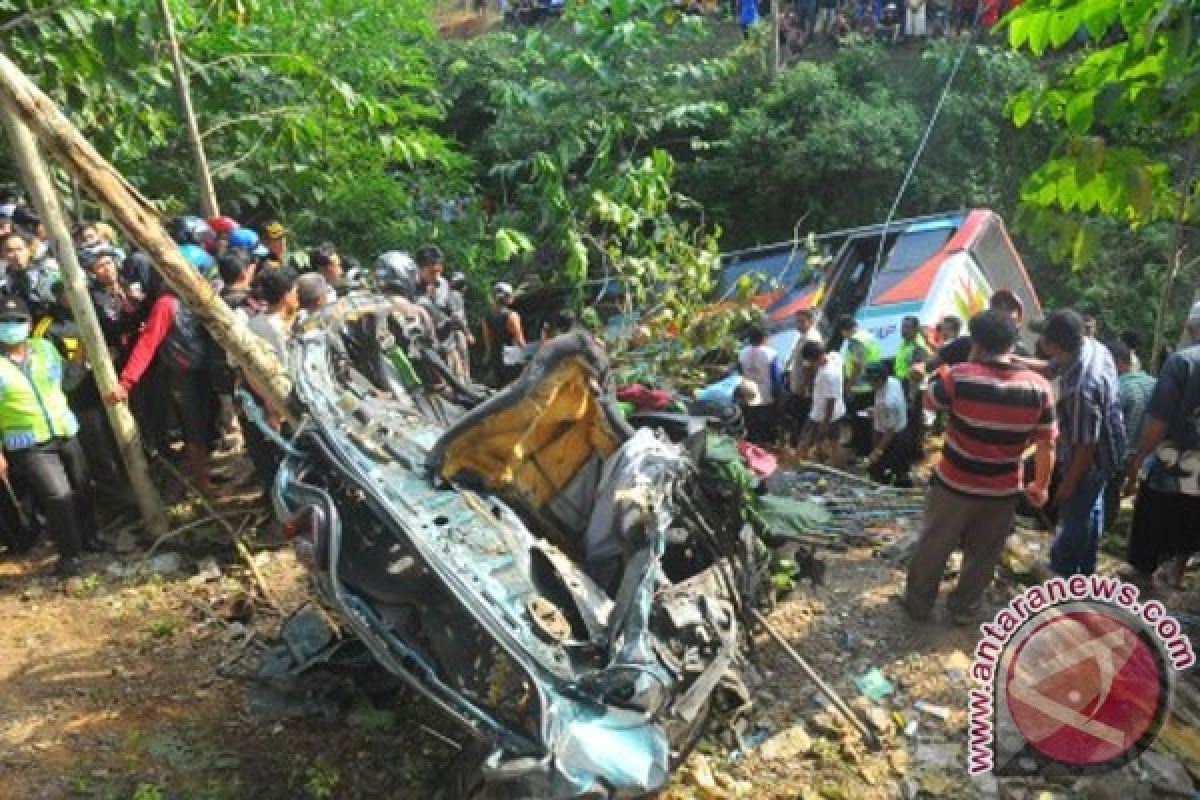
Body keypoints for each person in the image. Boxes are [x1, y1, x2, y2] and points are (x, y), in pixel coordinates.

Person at [903, 310, 1056, 624]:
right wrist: (1041, 485)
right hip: (1002, 490)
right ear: (1013, 344)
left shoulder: (959, 376)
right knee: (984, 554)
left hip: (954, 485)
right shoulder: (1039, 388)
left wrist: (923, 375)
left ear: (975, 343)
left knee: (935, 545)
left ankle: (919, 604)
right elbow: (1046, 444)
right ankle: (963, 608)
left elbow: (930, 402)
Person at [0, 296, 102, 575]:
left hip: (65, 429)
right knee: (57, 495)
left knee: (82, 486)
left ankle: (90, 538)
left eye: (18, 321)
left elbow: (67, 380)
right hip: (29, 443)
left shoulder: (44, 348)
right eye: (5, 322)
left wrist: (81, 353)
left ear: (29, 324)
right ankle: (70, 556)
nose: (11, 327)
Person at [106, 251, 221, 496]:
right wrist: (126, 382)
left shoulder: (196, 297)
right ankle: (201, 483)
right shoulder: (167, 304)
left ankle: (205, 473)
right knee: (194, 427)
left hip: (204, 369)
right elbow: (147, 344)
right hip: (183, 374)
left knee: (209, 422)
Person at [1037, 309, 1126, 576]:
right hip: (1110, 445)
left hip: (1091, 456)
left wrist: (1068, 483)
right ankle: (1086, 569)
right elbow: (1049, 368)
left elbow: (1085, 447)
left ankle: (1062, 571)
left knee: (1075, 513)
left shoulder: (1081, 389)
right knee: (1092, 507)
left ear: (1053, 345)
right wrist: (1008, 359)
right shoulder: (1090, 346)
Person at [1124, 303, 1200, 590]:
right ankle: (1176, 573)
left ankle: (1142, 582)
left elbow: (1159, 420)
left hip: (1172, 460)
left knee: (1152, 520)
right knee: (1192, 519)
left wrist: (1139, 457)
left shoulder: (1182, 362)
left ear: (1193, 325)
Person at [1100, 340, 1155, 532]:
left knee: (1108, 495)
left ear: (1115, 361)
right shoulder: (1154, 383)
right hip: (1148, 456)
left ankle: (1104, 530)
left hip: (1118, 456)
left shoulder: (1116, 389)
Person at [796, 339, 846, 466]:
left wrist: (825, 422)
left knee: (804, 441)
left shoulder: (827, 374)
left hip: (821, 414)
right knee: (833, 442)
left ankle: (797, 465)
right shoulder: (835, 357)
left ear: (813, 359)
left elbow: (830, 400)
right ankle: (837, 467)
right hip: (837, 411)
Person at [837, 314, 880, 457]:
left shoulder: (855, 341)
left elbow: (856, 365)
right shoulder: (867, 336)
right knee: (860, 417)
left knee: (862, 419)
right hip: (871, 383)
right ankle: (856, 441)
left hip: (861, 386)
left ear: (845, 330)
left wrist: (849, 385)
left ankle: (863, 448)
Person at [865, 362, 913, 486]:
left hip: (895, 437)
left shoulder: (888, 401)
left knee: (889, 470)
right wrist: (876, 410)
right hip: (899, 428)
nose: (869, 383)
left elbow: (889, 432)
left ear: (879, 380)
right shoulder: (893, 381)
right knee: (897, 467)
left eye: (870, 380)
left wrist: (877, 451)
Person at [786, 310, 824, 444]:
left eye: (801, 322)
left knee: (801, 417)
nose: (798, 325)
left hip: (803, 387)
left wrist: (805, 388)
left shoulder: (811, 338)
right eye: (797, 321)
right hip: (797, 384)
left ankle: (800, 445)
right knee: (797, 416)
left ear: (811, 321)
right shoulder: (804, 336)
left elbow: (810, 367)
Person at [1, 231, 58, 317]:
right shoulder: (4, 281)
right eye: (9, 251)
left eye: (19, 249)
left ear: (29, 250)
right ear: (3, 254)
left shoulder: (47, 273)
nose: (16, 255)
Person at [738, 326, 779, 444]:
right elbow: (775, 377)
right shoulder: (770, 354)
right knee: (765, 425)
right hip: (765, 395)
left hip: (748, 394)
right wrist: (777, 394)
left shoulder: (742, 353)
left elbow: (740, 373)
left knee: (750, 425)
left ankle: (750, 447)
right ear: (764, 338)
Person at [247, 269, 298, 361]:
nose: (297, 295)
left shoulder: (251, 323)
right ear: (286, 296)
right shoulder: (279, 329)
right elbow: (286, 362)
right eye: (295, 292)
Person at [482, 282, 527, 386]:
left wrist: (489, 355)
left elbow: (487, 340)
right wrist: (527, 358)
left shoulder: (487, 316)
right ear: (507, 297)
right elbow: (520, 340)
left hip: (496, 359)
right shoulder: (512, 316)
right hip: (511, 359)